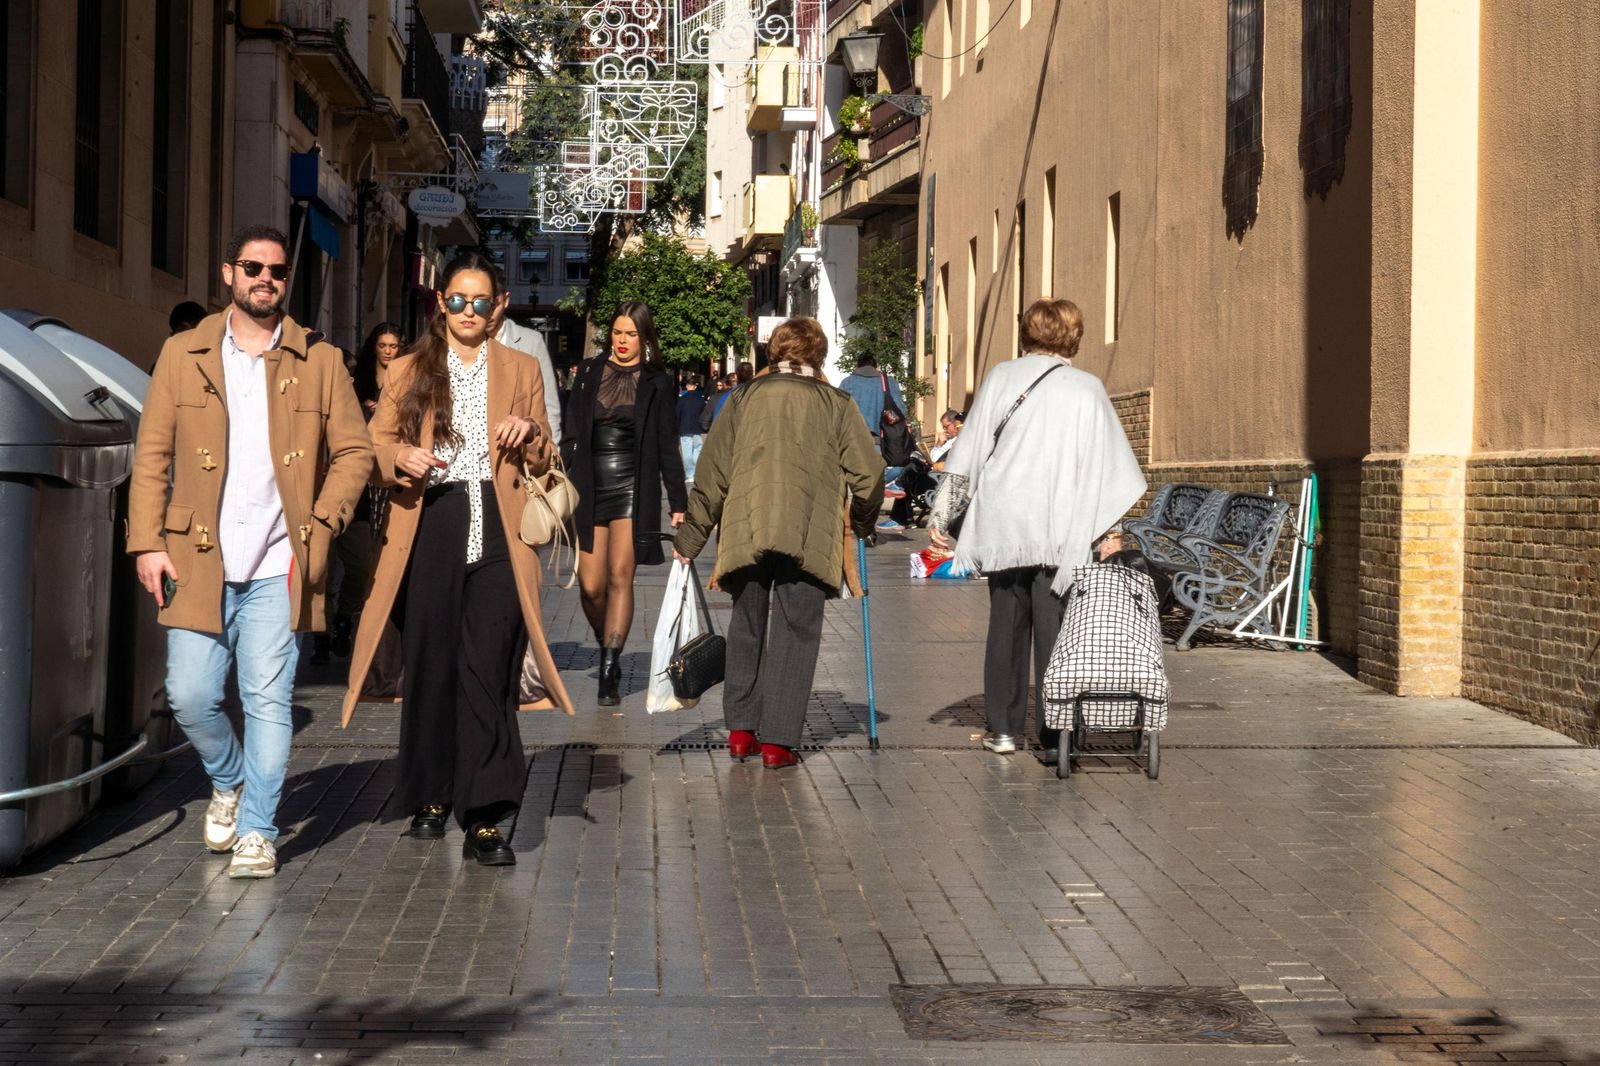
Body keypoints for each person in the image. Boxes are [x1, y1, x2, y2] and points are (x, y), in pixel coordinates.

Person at [128, 224, 375, 878]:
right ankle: (229, 779)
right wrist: (147, 542)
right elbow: (151, 455)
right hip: (196, 559)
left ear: (286, 280)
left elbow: (355, 452)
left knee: (267, 701)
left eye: (277, 270)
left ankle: (259, 831)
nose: (266, 279)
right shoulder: (182, 353)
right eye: (253, 267)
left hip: (279, 563)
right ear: (228, 273)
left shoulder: (320, 361)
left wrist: (323, 521)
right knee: (190, 695)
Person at [342, 251, 573, 866]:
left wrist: (531, 432)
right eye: (457, 300)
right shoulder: (409, 368)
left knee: (488, 667)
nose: (469, 311)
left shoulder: (522, 366)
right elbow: (372, 448)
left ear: (498, 307)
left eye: (481, 301)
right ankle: (431, 794)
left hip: (501, 526)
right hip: (431, 521)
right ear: (441, 303)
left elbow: (548, 456)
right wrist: (399, 459)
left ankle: (487, 814)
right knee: (432, 663)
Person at [930, 298, 1146, 763]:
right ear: (1073, 335)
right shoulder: (1088, 388)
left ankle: (1003, 730)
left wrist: (942, 514)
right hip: (1061, 527)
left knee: (1005, 628)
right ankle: (1054, 735)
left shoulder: (1001, 377)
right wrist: (1109, 532)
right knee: (1057, 634)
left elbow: (970, 448)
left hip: (1005, 524)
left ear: (1026, 332)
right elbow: (1107, 467)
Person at [674, 318, 884, 768]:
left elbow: (712, 473)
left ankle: (740, 731)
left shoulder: (741, 398)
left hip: (746, 527)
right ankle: (778, 742)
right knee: (797, 629)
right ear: (818, 356)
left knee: (746, 623)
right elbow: (869, 475)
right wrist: (864, 523)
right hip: (808, 532)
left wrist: (690, 538)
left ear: (774, 353)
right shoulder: (837, 403)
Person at [560, 301, 688, 705]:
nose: (622, 340)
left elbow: (667, 443)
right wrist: (560, 471)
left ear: (644, 337)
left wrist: (678, 501)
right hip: (588, 485)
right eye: (617, 332)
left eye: (631, 334)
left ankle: (610, 666)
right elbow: (570, 431)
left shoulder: (657, 381)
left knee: (619, 576)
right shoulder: (588, 373)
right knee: (590, 586)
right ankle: (607, 642)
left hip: (634, 487)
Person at [839, 352, 910, 533]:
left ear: (857, 366)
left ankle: (856, 527)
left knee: (855, 485)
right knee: (874, 487)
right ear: (875, 365)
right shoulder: (888, 382)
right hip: (880, 442)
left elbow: (839, 413)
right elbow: (900, 411)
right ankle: (867, 527)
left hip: (853, 442)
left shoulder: (847, 383)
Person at [487, 277, 563, 445]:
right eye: (483, 305)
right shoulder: (463, 342)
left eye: (494, 305)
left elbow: (549, 405)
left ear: (506, 300)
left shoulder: (531, 342)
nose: (489, 313)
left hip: (517, 449)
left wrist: (552, 450)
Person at [676, 373, 708, 481]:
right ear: (695, 387)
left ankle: (690, 474)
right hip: (697, 428)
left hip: (684, 427)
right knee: (697, 448)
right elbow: (704, 414)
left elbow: (677, 414)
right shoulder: (700, 400)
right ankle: (695, 470)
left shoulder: (681, 399)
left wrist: (676, 428)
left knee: (686, 452)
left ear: (687, 386)